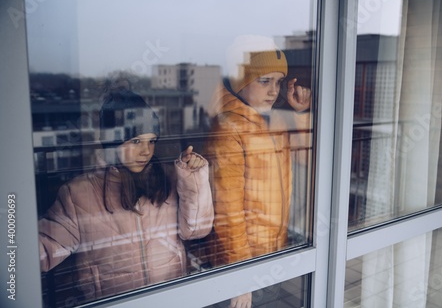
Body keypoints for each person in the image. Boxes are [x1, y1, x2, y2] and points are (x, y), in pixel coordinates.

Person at [38, 89, 214, 304]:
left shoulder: (167, 178)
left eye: (151, 141)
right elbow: (43, 249)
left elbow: (197, 229)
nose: (146, 152)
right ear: (113, 141)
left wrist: (191, 179)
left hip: (170, 297)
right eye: (136, 141)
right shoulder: (79, 194)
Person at [206, 35, 311, 308]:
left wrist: (299, 114)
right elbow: (227, 211)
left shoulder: (275, 119)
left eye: (278, 82)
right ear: (241, 80)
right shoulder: (229, 128)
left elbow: (307, 160)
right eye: (264, 81)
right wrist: (242, 274)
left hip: (272, 250)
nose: (274, 91)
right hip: (241, 260)